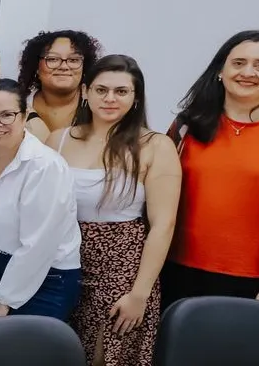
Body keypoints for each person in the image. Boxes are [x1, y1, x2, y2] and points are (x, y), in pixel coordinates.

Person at [165, 30, 259, 309]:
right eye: (239, 63)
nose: (248, 72)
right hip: (175, 272)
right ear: (221, 70)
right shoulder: (187, 126)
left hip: (258, 283)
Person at [52, 55, 179, 366]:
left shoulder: (155, 145)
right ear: (85, 92)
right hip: (61, 263)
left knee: (105, 356)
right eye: (101, 90)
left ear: (136, 97)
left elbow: (163, 225)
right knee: (58, 352)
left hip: (122, 269)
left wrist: (139, 294)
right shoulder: (58, 140)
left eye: (121, 91)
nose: (110, 98)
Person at [0, 78, 82, 322]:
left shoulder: (45, 167)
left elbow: (39, 245)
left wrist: (4, 301)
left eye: (7, 115)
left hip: (47, 277)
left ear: (24, 115)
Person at [18, 30, 102, 136]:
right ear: (36, 66)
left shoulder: (99, 107)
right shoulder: (18, 105)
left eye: (73, 60)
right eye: (53, 59)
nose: (64, 66)